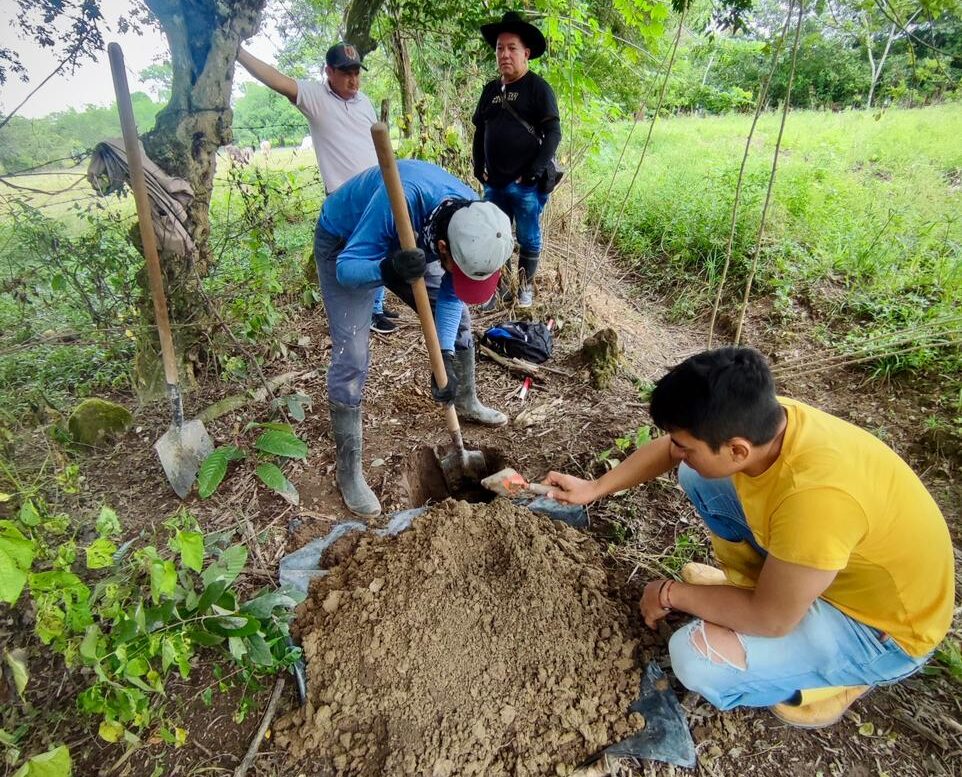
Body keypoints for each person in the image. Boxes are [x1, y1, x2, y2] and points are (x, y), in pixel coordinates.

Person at [545, 347, 954, 728]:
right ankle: (762, 592)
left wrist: (670, 593)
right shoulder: (765, 421)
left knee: (696, 660)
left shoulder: (816, 500)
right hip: (828, 567)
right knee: (698, 475)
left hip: (880, 629)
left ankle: (835, 678)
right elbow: (672, 450)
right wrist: (594, 488)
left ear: (738, 450)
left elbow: (771, 620)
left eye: (686, 445)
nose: (676, 451)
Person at [316, 159, 513, 517]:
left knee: (460, 324)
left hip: (412, 246)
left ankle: (464, 401)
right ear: (443, 248)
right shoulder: (402, 200)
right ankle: (349, 473)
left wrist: (444, 356)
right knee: (352, 357)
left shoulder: (475, 220)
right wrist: (387, 269)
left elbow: (452, 293)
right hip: (346, 244)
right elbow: (347, 269)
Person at [236, 42, 398, 334]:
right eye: (346, 73)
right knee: (361, 254)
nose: (354, 80)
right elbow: (277, 80)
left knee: (381, 245)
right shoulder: (315, 97)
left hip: (375, 191)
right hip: (345, 199)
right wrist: (239, 52)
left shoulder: (364, 102)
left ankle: (377, 306)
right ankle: (366, 315)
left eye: (357, 73)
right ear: (329, 72)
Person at [472, 11, 561, 309]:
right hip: (494, 182)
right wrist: (478, 165)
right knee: (495, 235)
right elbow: (480, 129)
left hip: (525, 184)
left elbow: (553, 133)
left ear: (526, 53)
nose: (504, 54)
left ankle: (524, 289)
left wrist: (533, 172)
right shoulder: (490, 90)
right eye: (500, 48)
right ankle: (499, 290)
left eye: (512, 48)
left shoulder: (538, 88)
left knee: (528, 237)